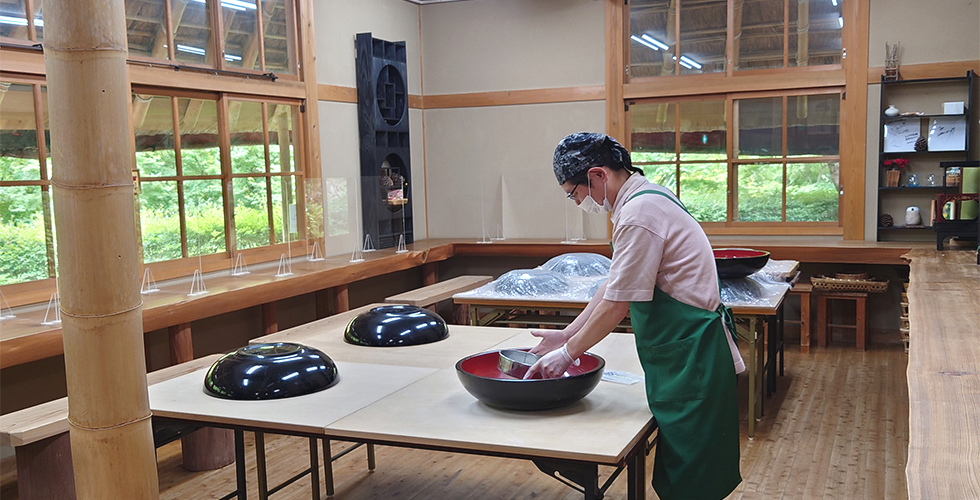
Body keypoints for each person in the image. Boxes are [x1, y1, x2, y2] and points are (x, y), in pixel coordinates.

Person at [524, 132, 744, 500]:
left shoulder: (640, 214)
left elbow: (617, 304)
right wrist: (566, 335)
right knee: (684, 468)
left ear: (597, 175)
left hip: (694, 356)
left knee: (693, 475)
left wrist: (568, 355)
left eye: (574, 193)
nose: (578, 202)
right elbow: (614, 284)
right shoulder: (643, 200)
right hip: (682, 352)